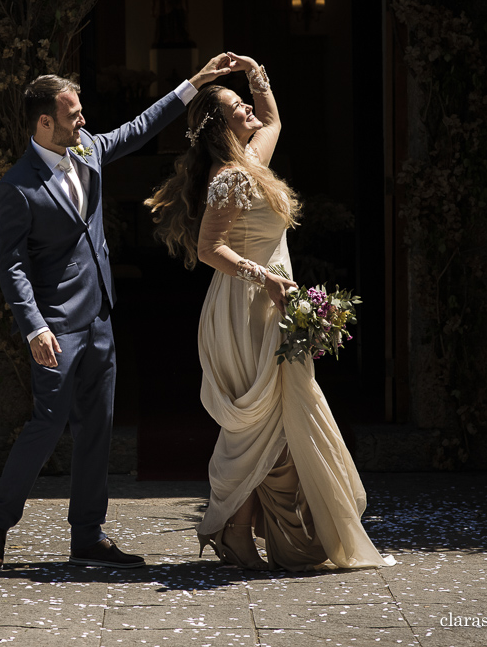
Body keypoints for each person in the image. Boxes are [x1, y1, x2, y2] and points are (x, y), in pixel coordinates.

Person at [0, 55, 234, 571]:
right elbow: (12, 266)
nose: (83, 122)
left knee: (98, 425)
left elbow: (139, 129)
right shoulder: (17, 186)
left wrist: (192, 85)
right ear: (44, 122)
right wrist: (34, 328)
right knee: (48, 425)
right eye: (72, 115)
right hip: (54, 326)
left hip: (98, 318)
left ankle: (88, 536)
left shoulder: (88, 151)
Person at [144, 52, 393, 571]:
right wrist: (264, 277)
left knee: (278, 422)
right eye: (238, 105)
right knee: (263, 424)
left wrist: (254, 73)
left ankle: (238, 531)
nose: (250, 110)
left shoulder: (254, 159)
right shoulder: (230, 177)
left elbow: (274, 117)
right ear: (221, 124)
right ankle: (232, 527)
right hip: (246, 305)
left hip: (273, 301)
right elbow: (211, 249)